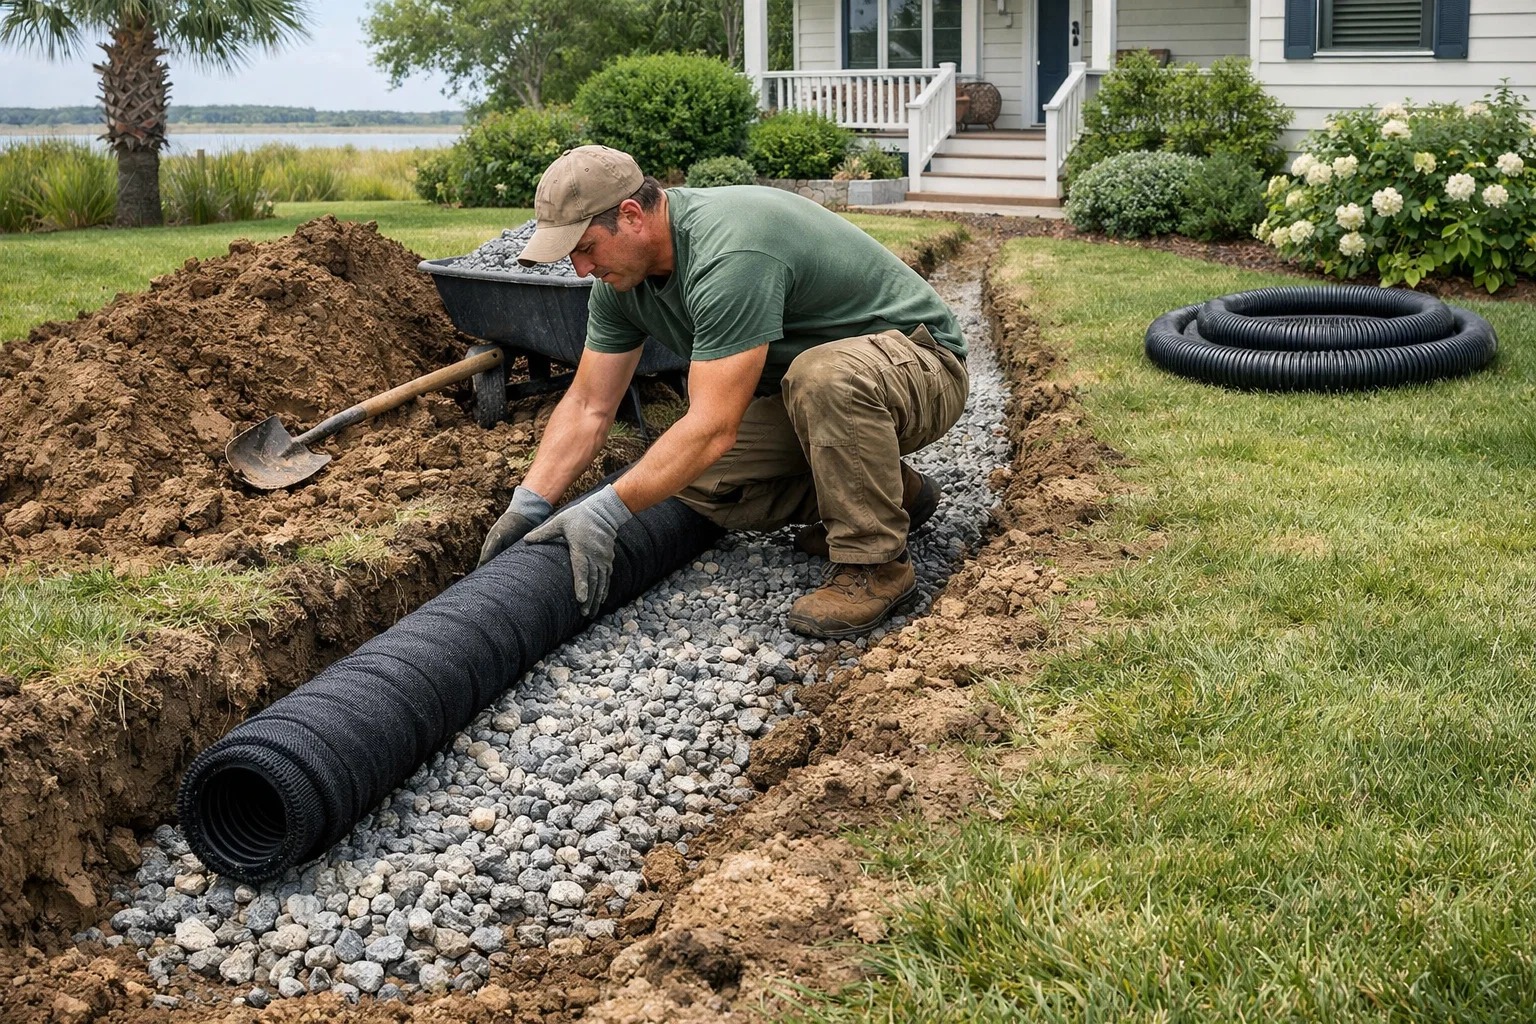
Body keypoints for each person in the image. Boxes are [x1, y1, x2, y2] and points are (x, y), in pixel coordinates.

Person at [477, 145, 969, 639]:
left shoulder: (729, 251)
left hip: (917, 366)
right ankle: (895, 493)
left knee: (820, 376)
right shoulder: (620, 287)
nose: (581, 269)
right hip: (804, 396)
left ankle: (877, 565)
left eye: (585, 248)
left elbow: (713, 425)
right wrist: (530, 504)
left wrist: (604, 512)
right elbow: (588, 404)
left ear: (630, 216)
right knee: (694, 482)